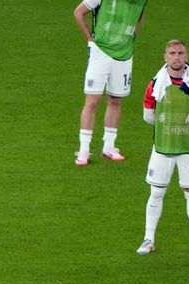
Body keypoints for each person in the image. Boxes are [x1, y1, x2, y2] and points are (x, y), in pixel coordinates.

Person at [137, 40, 189, 256]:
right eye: (172, 53)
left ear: (186, 56)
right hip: (163, 148)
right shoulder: (155, 84)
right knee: (156, 192)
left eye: (180, 53)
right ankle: (148, 239)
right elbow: (148, 115)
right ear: (165, 57)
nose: (177, 57)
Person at [73, 0, 149, 166]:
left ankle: (109, 146)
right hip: (100, 51)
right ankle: (84, 149)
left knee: (115, 100)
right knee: (92, 101)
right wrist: (89, 39)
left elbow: (140, 15)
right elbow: (78, 12)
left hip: (124, 54)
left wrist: (131, 36)